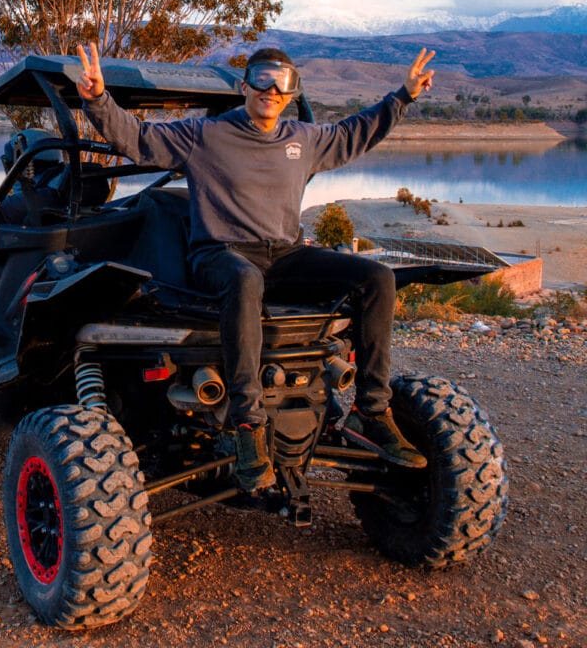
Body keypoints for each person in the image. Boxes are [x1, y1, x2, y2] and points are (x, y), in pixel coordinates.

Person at [76, 42, 436, 492]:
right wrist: (97, 99)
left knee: (377, 277)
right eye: (261, 78)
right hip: (219, 254)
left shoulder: (303, 139)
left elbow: (356, 132)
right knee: (245, 280)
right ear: (245, 86)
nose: (271, 88)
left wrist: (403, 96)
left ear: (291, 93)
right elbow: (139, 139)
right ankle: (247, 425)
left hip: (284, 255)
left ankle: (372, 411)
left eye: (281, 81)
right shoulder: (206, 135)